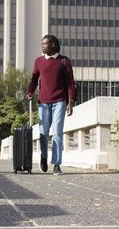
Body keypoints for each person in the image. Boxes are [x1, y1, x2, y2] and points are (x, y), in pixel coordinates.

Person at [26, 34, 75, 175]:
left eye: (44, 44)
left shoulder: (64, 61)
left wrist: (70, 101)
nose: (42, 46)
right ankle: (44, 156)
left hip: (60, 101)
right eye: (41, 44)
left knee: (57, 133)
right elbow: (34, 80)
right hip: (43, 102)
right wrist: (30, 92)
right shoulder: (39, 61)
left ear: (52, 44)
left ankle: (57, 164)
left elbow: (71, 83)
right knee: (43, 133)